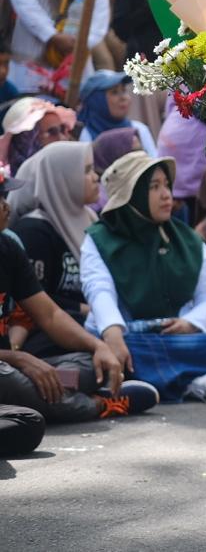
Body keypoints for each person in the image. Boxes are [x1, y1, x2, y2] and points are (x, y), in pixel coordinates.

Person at [80, 152, 206, 412]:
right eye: (154, 187)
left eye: (166, 185)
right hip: (123, 335)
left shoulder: (187, 240)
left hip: (169, 337)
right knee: (98, 352)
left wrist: (190, 323)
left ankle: (135, 381)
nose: (166, 195)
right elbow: (99, 290)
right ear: (133, 194)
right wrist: (113, 334)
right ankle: (189, 383)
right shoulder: (99, 239)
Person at [1, 219, 154, 458]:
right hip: (7, 371)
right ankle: (99, 405)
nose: (6, 205)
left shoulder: (8, 247)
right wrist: (18, 358)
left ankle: (47, 398)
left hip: (12, 369)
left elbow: (50, 315)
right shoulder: (30, 232)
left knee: (89, 363)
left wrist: (98, 346)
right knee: (27, 420)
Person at [9, 142, 99, 320]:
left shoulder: (91, 218)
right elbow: (32, 299)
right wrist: (85, 309)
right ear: (62, 178)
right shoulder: (34, 231)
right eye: (86, 171)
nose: (96, 177)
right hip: (52, 334)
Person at [75, 71, 157, 153]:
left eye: (124, 90)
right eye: (114, 92)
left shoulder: (139, 129)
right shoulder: (84, 135)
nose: (123, 97)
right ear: (97, 101)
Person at [0, 97, 76, 175]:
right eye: (52, 132)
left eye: (63, 129)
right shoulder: (5, 183)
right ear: (27, 141)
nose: (63, 138)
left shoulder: (70, 175)